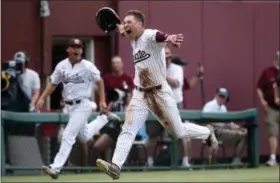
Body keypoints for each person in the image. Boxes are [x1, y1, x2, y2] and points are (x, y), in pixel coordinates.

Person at [96, 10, 218, 180]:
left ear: (140, 24)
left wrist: (170, 38)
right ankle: (116, 166)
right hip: (139, 94)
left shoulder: (148, 35)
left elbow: (160, 36)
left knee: (179, 132)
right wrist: (118, 25)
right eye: (124, 22)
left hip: (160, 93)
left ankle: (206, 132)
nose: (125, 25)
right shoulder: (132, 37)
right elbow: (121, 29)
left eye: (129, 22)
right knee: (128, 129)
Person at [36, 38, 120, 179]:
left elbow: (99, 81)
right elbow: (53, 83)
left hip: (83, 104)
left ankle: (55, 167)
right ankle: (105, 118)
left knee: (68, 135)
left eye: (79, 47)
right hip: (69, 107)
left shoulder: (87, 66)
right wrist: (43, 97)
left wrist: (102, 101)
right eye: (74, 47)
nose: (77, 50)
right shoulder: (62, 66)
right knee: (84, 136)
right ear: (68, 49)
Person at [202, 87, 247, 164]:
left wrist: (238, 127)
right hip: (211, 132)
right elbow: (206, 120)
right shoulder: (209, 105)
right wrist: (224, 125)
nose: (222, 98)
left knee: (244, 133)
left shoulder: (223, 108)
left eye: (224, 97)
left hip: (223, 133)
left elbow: (229, 123)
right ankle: (209, 162)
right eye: (220, 96)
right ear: (215, 95)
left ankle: (236, 159)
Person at [257, 50, 280, 166]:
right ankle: (272, 158)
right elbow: (259, 87)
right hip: (272, 108)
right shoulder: (268, 72)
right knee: (272, 132)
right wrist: (263, 102)